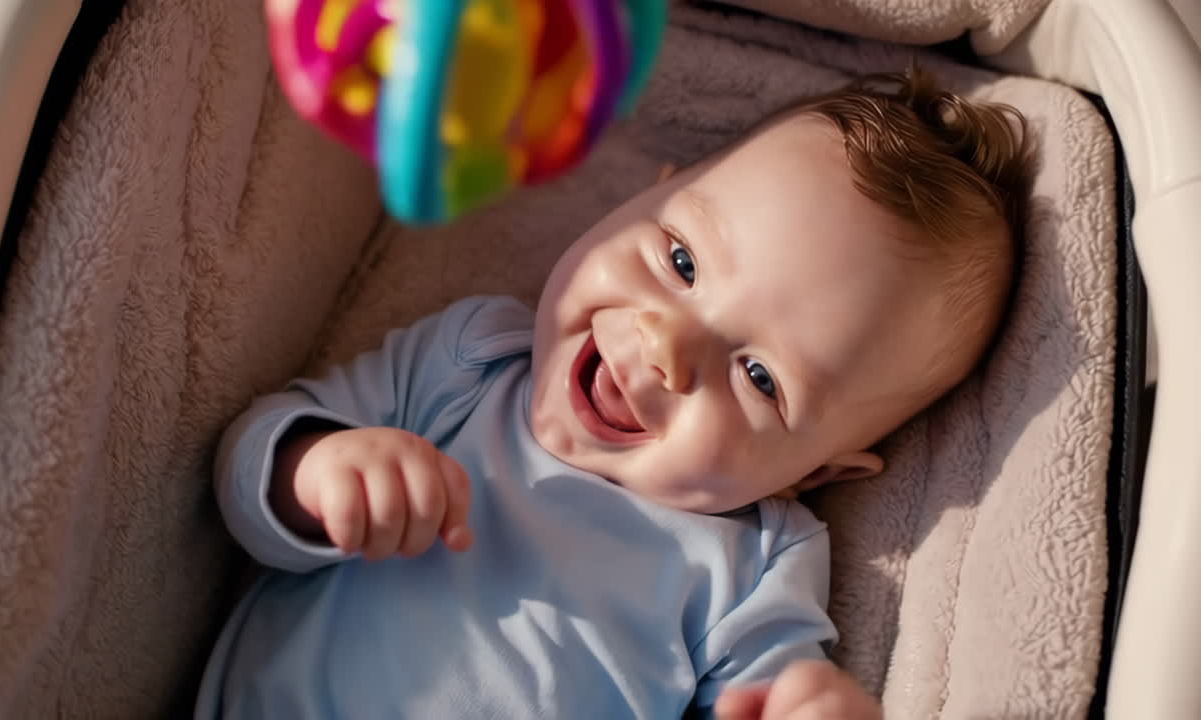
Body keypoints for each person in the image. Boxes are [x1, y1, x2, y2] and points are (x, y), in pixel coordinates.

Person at [195, 66, 1032, 720]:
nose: (669, 346)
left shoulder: (753, 563)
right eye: (680, 262)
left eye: (760, 377)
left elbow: (773, 687)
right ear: (643, 196)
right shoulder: (472, 361)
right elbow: (244, 466)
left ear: (815, 472)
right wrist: (316, 471)